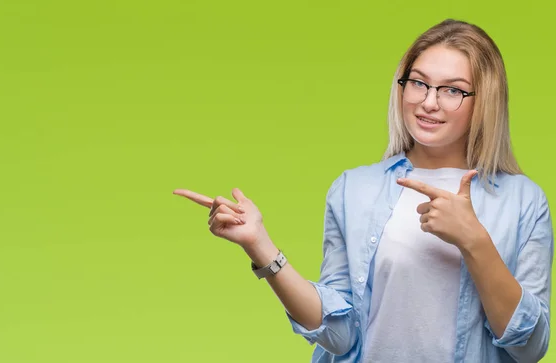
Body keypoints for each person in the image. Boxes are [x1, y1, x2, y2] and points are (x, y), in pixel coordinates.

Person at [172, 19, 553, 363]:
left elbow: (529, 347)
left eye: (453, 90)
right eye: (418, 82)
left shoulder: (523, 201)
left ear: (484, 101)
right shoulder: (353, 189)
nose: (428, 102)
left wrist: (475, 241)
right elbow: (339, 334)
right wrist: (260, 246)